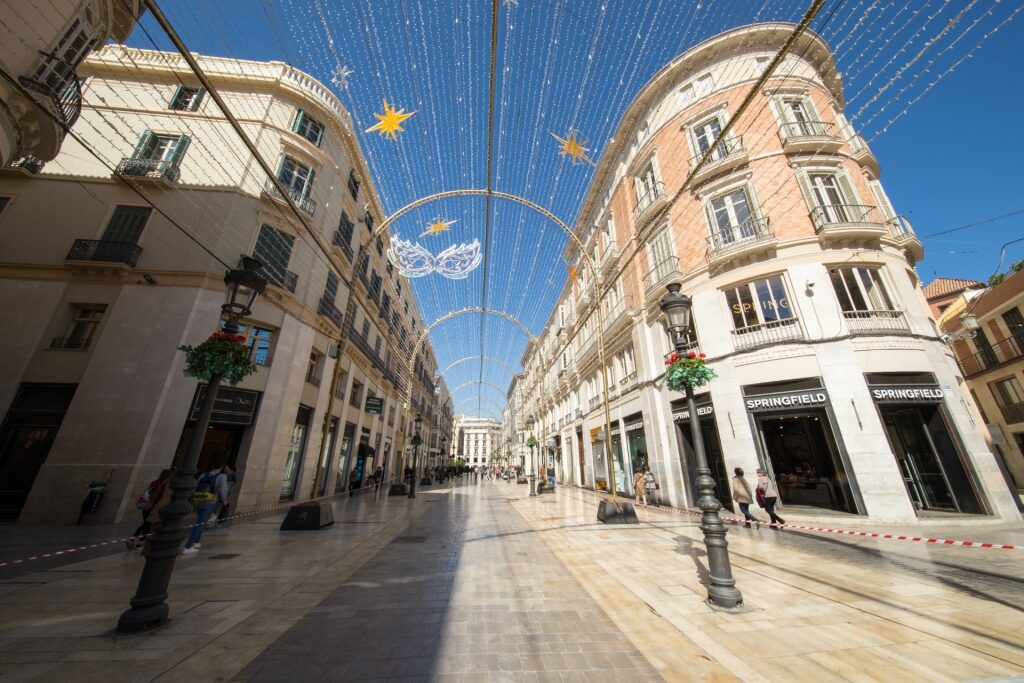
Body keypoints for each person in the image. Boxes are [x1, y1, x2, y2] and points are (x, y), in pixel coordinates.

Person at [182, 464, 223, 554]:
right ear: (221, 467)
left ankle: (196, 542)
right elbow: (223, 490)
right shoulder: (221, 476)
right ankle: (188, 546)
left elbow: (195, 486)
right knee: (200, 523)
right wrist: (225, 501)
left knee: (201, 521)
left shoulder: (204, 475)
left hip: (199, 499)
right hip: (209, 501)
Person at [128, 469, 172, 549]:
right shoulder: (165, 484)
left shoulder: (156, 482)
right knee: (148, 525)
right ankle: (140, 543)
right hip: (154, 506)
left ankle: (133, 539)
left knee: (145, 523)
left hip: (146, 505)